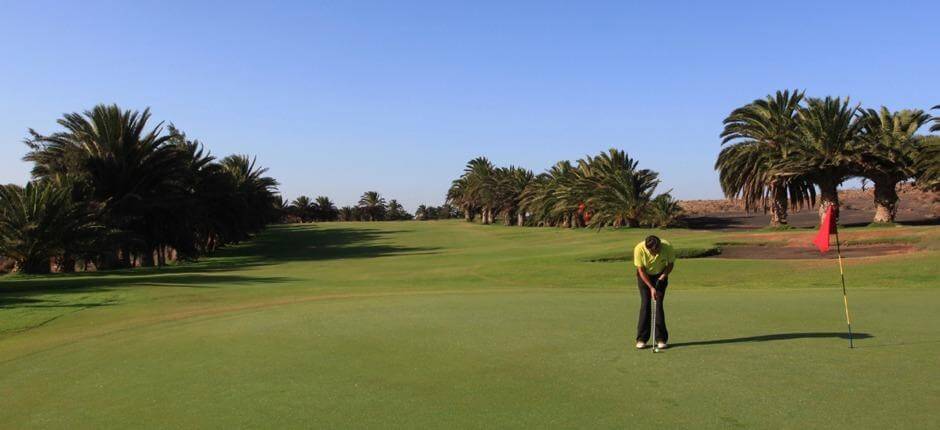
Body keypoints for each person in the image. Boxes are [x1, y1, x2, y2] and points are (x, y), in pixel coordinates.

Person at [633, 235, 676, 350]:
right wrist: (651, 288)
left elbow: (670, 264)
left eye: (657, 251)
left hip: (660, 275)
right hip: (645, 276)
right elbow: (641, 270)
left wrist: (662, 277)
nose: (655, 254)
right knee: (646, 303)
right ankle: (641, 339)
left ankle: (661, 339)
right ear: (648, 248)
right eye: (652, 252)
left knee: (658, 304)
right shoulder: (639, 249)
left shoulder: (667, 247)